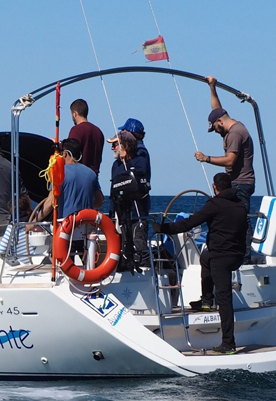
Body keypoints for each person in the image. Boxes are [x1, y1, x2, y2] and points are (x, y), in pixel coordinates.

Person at [152, 173, 248, 354]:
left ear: (214, 187)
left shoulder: (214, 204)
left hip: (221, 258)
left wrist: (163, 228)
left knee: (224, 299)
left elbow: (188, 224)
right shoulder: (240, 206)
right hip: (236, 256)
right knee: (205, 257)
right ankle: (206, 300)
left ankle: (228, 344)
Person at [194, 76, 254, 264]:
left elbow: (230, 160)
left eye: (214, 128)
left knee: (241, 221)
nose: (216, 131)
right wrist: (212, 87)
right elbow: (216, 109)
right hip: (236, 183)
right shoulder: (229, 124)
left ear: (220, 122)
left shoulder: (235, 133)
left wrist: (206, 158)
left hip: (241, 184)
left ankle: (244, 259)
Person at [108, 131, 151, 271]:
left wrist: (128, 161)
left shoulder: (140, 161)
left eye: (115, 144)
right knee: (120, 244)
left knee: (139, 244)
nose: (112, 148)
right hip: (120, 213)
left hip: (137, 212)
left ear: (124, 146)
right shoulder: (116, 165)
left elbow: (140, 182)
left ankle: (144, 271)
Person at [33, 138, 104, 221]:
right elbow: (100, 201)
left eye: (59, 153)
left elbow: (50, 202)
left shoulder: (59, 174)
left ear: (65, 154)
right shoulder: (91, 173)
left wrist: (33, 223)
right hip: (87, 224)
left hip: (66, 226)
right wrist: (86, 209)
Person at [67, 99, 105, 175]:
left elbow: (70, 151)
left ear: (74, 113)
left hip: (80, 176)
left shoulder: (77, 130)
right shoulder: (98, 132)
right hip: (94, 178)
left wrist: (58, 144)